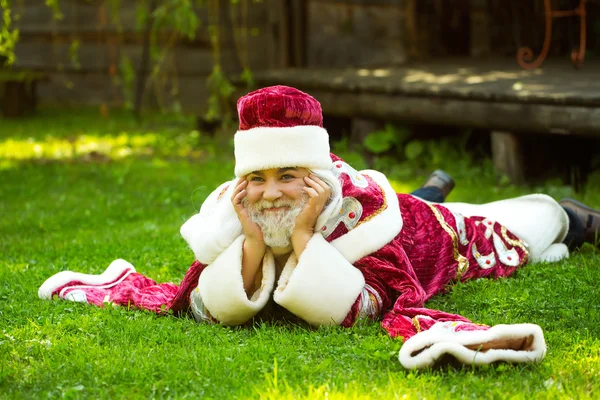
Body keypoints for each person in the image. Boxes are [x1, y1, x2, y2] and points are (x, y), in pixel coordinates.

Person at [38, 86, 600, 369]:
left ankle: (576, 217)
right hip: (397, 205)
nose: (273, 192)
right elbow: (201, 303)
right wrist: (255, 240)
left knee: (524, 230)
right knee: (428, 198)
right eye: (258, 177)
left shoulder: (360, 214)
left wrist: (305, 237)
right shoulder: (237, 208)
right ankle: (433, 182)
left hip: (434, 231)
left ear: (316, 175)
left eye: (289, 176)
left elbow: (368, 307)